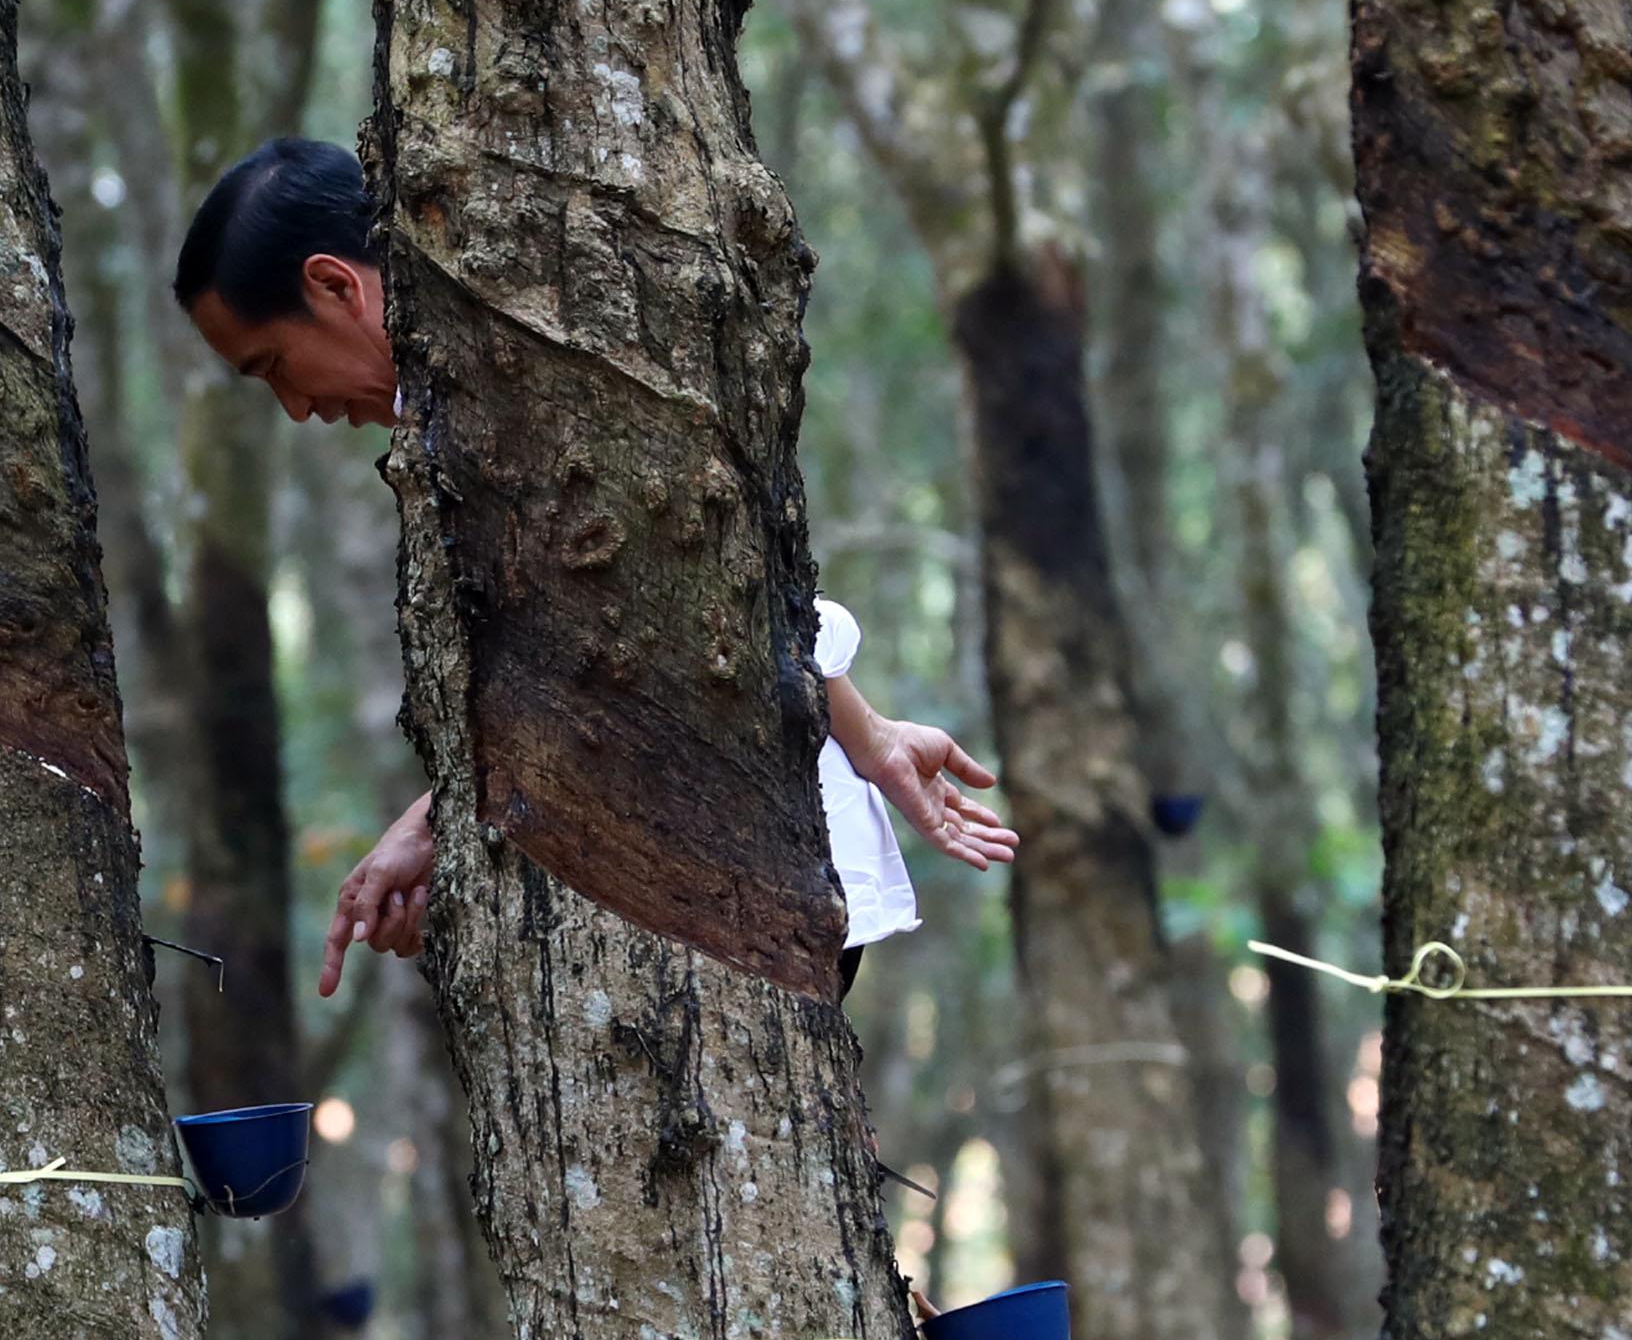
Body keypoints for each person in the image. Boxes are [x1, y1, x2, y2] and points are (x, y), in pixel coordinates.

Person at [174, 137, 1014, 1001]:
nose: (297, 408)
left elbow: (705, 599)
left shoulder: (514, 379)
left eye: (275, 365)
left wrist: (867, 740)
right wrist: (443, 832)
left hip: (734, 857)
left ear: (334, 286)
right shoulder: (447, 426)